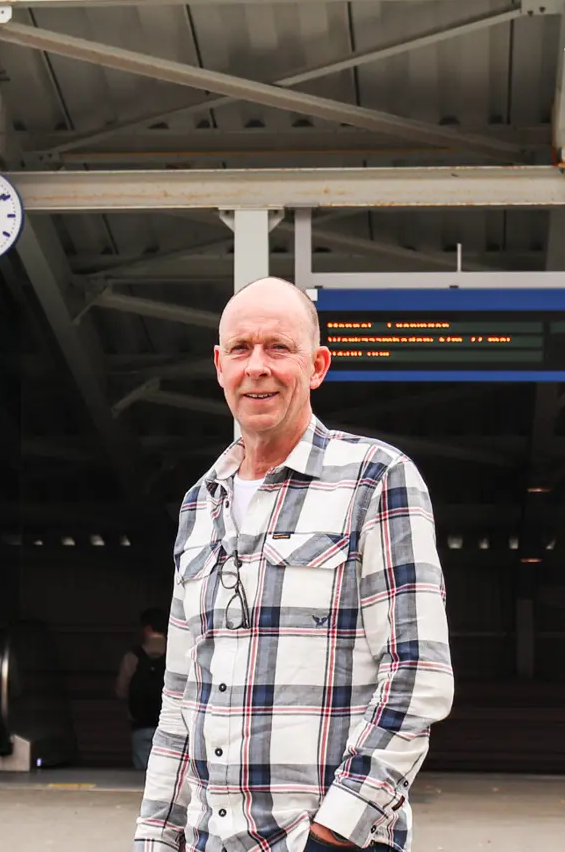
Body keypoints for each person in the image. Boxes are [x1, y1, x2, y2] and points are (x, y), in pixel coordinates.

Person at [133, 278, 454, 852]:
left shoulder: (377, 479)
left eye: (279, 348)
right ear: (219, 365)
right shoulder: (199, 503)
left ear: (317, 365)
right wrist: (155, 838)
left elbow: (416, 674)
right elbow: (181, 696)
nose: (257, 366)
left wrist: (334, 834)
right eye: (241, 348)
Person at [115, 607, 169, 769]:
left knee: (141, 777)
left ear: (146, 629)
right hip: (170, 726)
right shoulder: (176, 655)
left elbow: (120, 691)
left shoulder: (133, 657)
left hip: (141, 725)